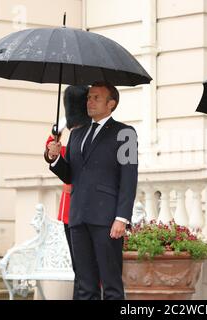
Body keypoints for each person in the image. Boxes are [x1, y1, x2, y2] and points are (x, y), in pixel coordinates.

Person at [46, 81, 138, 300]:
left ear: (111, 103)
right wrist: (55, 157)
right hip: (78, 218)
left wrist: (122, 218)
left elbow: (129, 178)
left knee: (112, 285)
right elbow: (70, 175)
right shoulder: (77, 134)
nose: (90, 101)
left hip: (107, 220)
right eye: (89, 97)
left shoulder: (126, 133)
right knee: (85, 286)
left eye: (96, 97)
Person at [44, 85, 90, 299]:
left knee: (87, 269)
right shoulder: (66, 131)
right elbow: (53, 153)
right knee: (80, 268)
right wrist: (54, 141)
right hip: (69, 210)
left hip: (88, 208)